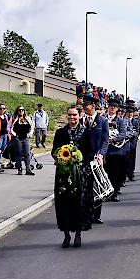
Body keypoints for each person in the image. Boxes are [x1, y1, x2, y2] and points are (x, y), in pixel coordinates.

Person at [51, 106, 92, 248]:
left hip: (81, 175)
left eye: (74, 115)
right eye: (69, 115)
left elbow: (90, 153)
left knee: (78, 204)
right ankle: (66, 234)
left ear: (79, 116)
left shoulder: (87, 132)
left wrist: (78, 159)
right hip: (63, 174)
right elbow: (54, 152)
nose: (72, 118)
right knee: (64, 204)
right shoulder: (60, 132)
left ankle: (78, 233)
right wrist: (62, 158)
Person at [81, 95, 110, 225]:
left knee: (97, 185)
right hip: (83, 159)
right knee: (85, 187)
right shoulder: (81, 120)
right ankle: (86, 213)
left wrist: (101, 154)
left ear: (92, 106)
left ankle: (96, 215)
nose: (83, 107)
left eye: (85, 105)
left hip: (97, 158)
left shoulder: (102, 121)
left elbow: (105, 140)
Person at [104, 98, 134, 201]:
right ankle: (107, 192)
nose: (112, 108)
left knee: (116, 173)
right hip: (105, 150)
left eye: (115, 107)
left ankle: (114, 193)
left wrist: (112, 140)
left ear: (117, 109)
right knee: (106, 172)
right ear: (108, 107)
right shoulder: (103, 119)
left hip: (117, 151)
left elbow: (123, 134)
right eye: (111, 106)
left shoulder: (120, 120)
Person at [10, 106, 35, 176]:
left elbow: (32, 127)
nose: (21, 111)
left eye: (22, 110)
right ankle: (19, 169)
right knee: (18, 153)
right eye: (19, 110)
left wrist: (29, 134)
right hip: (17, 138)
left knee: (27, 153)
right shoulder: (14, 118)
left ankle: (28, 169)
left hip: (25, 138)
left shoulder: (27, 118)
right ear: (17, 111)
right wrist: (14, 134)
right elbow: (9, 127)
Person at [125, 106, 139, 181]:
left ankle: (131, 172)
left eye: (131, 113)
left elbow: (137, 131)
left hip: (133, 142)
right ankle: (127, 173)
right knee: (126, 158)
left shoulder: (136, 121)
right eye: (128, 113)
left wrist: (131, 134)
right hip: (126, 142)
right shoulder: (124, 120)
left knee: (132, 157)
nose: (130, 114)